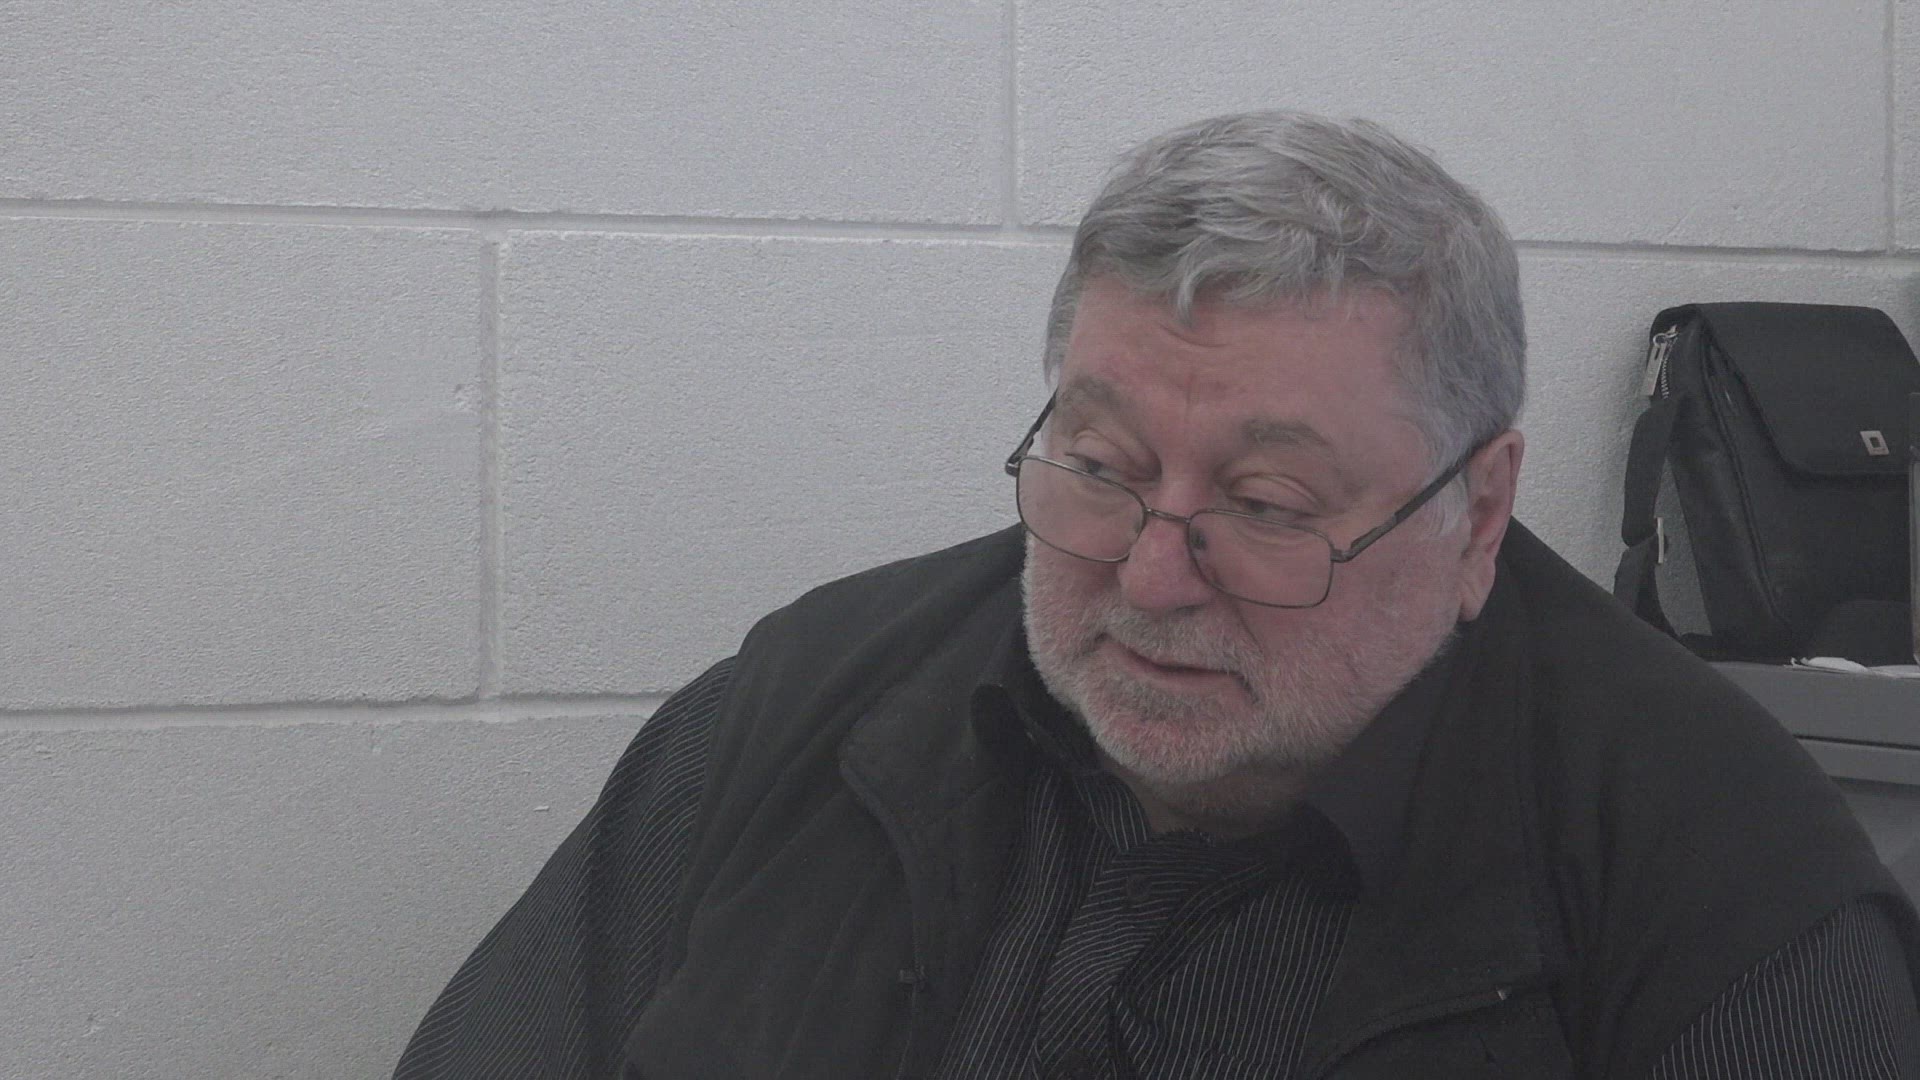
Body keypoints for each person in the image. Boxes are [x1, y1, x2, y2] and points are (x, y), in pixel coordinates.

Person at [393, 111, 1920, 1079]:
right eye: (1103, 464)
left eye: (1267, 507)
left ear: (1479, 513)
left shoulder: (1725, 889)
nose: (1148, 575)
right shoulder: (803, 702)